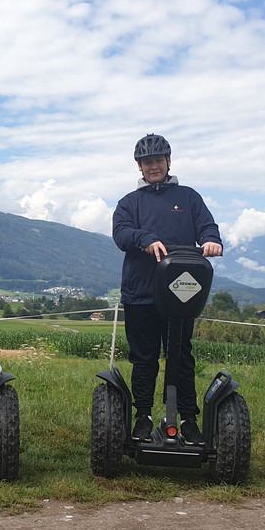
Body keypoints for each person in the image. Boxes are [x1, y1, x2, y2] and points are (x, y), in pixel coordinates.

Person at [112, 134, 223, 445]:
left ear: (169, 161)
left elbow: (206, 226)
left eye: (159, 160)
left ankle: (187, 418)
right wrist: (145, 239)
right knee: (144, 358)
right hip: (141, 293)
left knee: (180, 356)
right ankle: (143, 417)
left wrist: (211, 239)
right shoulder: (129, 203)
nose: (154, 166)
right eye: (148, 162)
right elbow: (121, 233)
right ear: (139, 166)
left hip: (181, 295)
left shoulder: (188, 198)